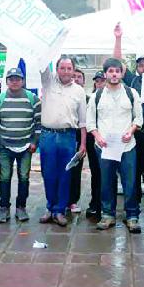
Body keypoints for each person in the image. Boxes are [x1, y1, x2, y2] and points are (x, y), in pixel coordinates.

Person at [87, 57, 144, 233]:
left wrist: (132, 130)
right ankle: (107, 215)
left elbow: (139, 118)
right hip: (105, 146)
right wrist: (97, 136)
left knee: (130, 182)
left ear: (122, 73)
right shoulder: (96, 96)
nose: (114, 74)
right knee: (106, 181)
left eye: (117, 71)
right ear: (105, 74)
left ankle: (132, 216)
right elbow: (90, 122)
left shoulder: (131, 93)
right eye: (110, 71)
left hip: (127, 146)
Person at [111, 23, 144, 193]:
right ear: (137, 68)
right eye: (140, 65)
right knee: (133, 172)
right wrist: (118, 38)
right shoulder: (132, 80)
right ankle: (132, 208)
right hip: (135, 134)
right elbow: (117, 62)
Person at [38, 57, 87, 227]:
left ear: (74, 70)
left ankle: (60, 210)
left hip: (68, 137)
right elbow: (42, 64)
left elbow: (83, 122)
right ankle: (50, 208)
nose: (66, 71)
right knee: (48, 173)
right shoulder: (48, 82)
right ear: (56, 69)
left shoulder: (79, 91)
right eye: (62, 68)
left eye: (69, 68)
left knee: (65, 175)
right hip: (48, 136)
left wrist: (82, 144)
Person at [0, 67, 41, 224]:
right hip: (4, 146)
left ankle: (21, 207)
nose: (15, 81)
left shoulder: (33, 99)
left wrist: (34, 142)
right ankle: (4, 209)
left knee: (24, 177)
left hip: (25, 146)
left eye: (18, 79)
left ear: (23, 81)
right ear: (7, 82)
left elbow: (38, 124)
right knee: (5, 177)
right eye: (11, 79)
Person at [83, 71, 107, 219]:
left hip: (110, 139)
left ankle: (107, 204)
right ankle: (95, 203)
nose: (100, 84)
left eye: (102, 81)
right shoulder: (91, 98)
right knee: (96, 173)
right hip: (94, 139)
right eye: (98, 81)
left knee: (109, 173)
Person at [67, 68, 87, 214]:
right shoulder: (65, 96)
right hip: (65, 137)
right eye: (74, 76)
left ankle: (73, 201)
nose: (76, 79)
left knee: (76, 171)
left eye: (79, 77)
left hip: (81, 139)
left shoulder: (88, 98)